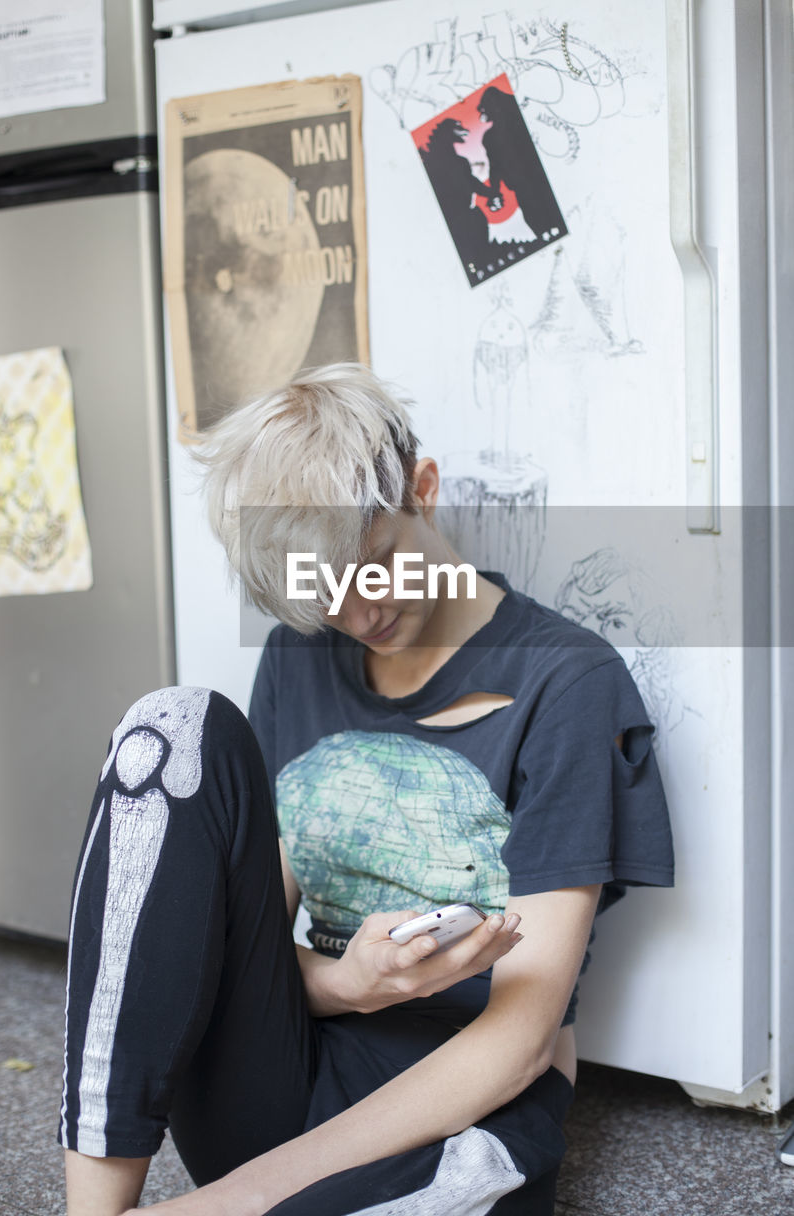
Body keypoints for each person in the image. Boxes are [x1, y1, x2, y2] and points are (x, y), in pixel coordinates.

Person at [59, 362, 674, 1215]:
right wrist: (353, 982)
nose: (358, 613)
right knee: (171, 726)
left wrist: (221, 1205)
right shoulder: (297, 659)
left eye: (373, 564)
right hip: (283, 1070)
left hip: (460, 1103)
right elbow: (241, 957)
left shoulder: (566, 681)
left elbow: (523, 1038)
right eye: (323, 593)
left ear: (423, 489)